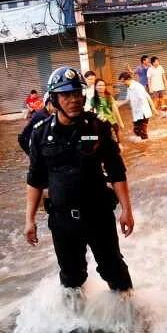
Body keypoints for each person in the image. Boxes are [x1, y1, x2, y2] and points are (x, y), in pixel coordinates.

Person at [25, 67, 134, 296]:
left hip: (98, 216)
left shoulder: (97, 127)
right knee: (71, 276)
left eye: (77, 93)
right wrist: (30, 220)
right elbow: (35, 179)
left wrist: (126, 210)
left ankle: (130, 319)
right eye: (66, 95)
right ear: (54, 99)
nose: (74, 99)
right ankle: (79, 324)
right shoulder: (40, 133)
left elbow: (116, 171)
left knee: (114, 269)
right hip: (63, 220)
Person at [90, 77, 124, 142]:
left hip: (112, 123)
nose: (101, 87)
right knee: (103, 143)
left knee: (115, 143)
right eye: (99, 85)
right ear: (95, 87)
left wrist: (120, 122)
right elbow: (91, 112)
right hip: (101, 124)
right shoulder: (94, 99)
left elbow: (115, 110)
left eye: (103, 85)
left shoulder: (109, 97)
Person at [125, 70, 156, 140]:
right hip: (136, 113)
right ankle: (144, 142)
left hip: (143, 113)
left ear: (128, 79)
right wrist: (116, 104)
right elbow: (127, 100)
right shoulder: (129, 87)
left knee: (143, 133)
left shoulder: (138, 87)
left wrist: (153, 108)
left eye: (123, 81)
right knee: (136, 131)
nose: (122, 83)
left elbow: (147, 96)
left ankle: (147, 146)